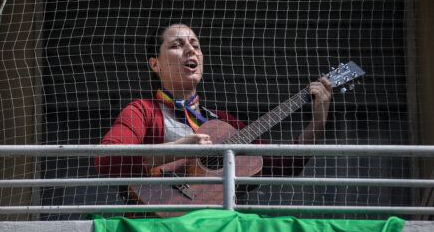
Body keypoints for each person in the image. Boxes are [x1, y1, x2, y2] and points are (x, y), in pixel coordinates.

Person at [94, 23, 332, 182]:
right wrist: (180, 147)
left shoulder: (225, 122)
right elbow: (106, 160)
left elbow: (283, 166)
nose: (191, 50)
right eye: (177, 45)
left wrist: (318, 122)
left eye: (195, 45)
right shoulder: (142, 111)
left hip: (219, 225)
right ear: (155, 64)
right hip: (157, 224)